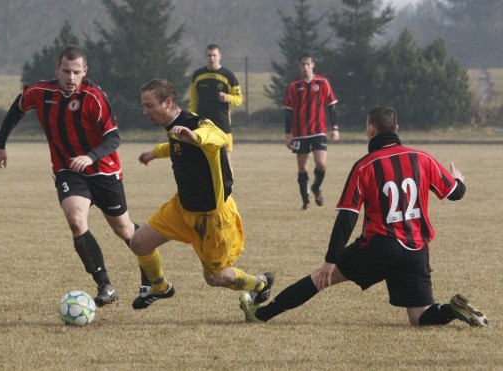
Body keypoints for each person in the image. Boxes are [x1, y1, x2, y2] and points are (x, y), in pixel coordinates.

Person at [239, 106, 488, 328]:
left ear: (370, 129)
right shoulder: (422, 158)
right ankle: (451, 309)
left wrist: (331, 259)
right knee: (420, 316)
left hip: (379, 247)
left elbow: (347, 217)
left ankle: (260, 315)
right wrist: (458, 181)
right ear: (396, 128)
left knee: (318, 278)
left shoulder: (365, 166)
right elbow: (456, 193)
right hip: (416, 250)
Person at [0, 46, 143, 307]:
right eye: (66, 71)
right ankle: (105, 284)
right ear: (57, 70)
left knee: (124, 229)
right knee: (75, 220)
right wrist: (0, 144)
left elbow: (113, 137)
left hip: (103, 169)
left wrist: (91, 157)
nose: (71, 77)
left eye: (76, 72)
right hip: (67, 169)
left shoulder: (94, 97)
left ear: (85, 71)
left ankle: (153, 272)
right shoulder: (41, 92)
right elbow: (17, 108)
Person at [130, 78, 272, 310]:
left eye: (149, 106)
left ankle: (260, 284)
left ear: (167, 103)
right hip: (181, 209)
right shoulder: (176, 128)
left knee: (215, 278)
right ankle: (160, 287)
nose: (145, 112)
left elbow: (219, 137)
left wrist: (196, 137)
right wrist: (154, 153)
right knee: (139, 244)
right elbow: (176, 146)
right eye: (144, 106)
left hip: (211, 218)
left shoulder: (195, 124)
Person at [283, 52, 339, 210]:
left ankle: (315, 187)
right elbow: (288, 111)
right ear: (299, 66)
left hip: (319, 130)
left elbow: (332, 106)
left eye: (308, 64)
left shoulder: (322, 82)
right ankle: (306, 202)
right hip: (300, 132)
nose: (306, 67)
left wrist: (335, 128)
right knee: (302, 166)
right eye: (303, 64)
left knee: (321, 164)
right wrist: (288, 135)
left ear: (313, 65)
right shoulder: (294, 86)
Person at [189, 44, 243, 168]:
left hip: (222, 123)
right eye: (209, 55)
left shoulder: (228, 75)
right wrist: (192, 118)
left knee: (226, 157)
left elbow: (239, 99)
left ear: (220, 56)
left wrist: (228, 97)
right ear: (205, 56)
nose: (212, 58)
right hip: (202, 122)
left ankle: (228, 186)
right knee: (201, 156)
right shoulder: (198, 75)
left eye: (214, 55)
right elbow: (193, 100)